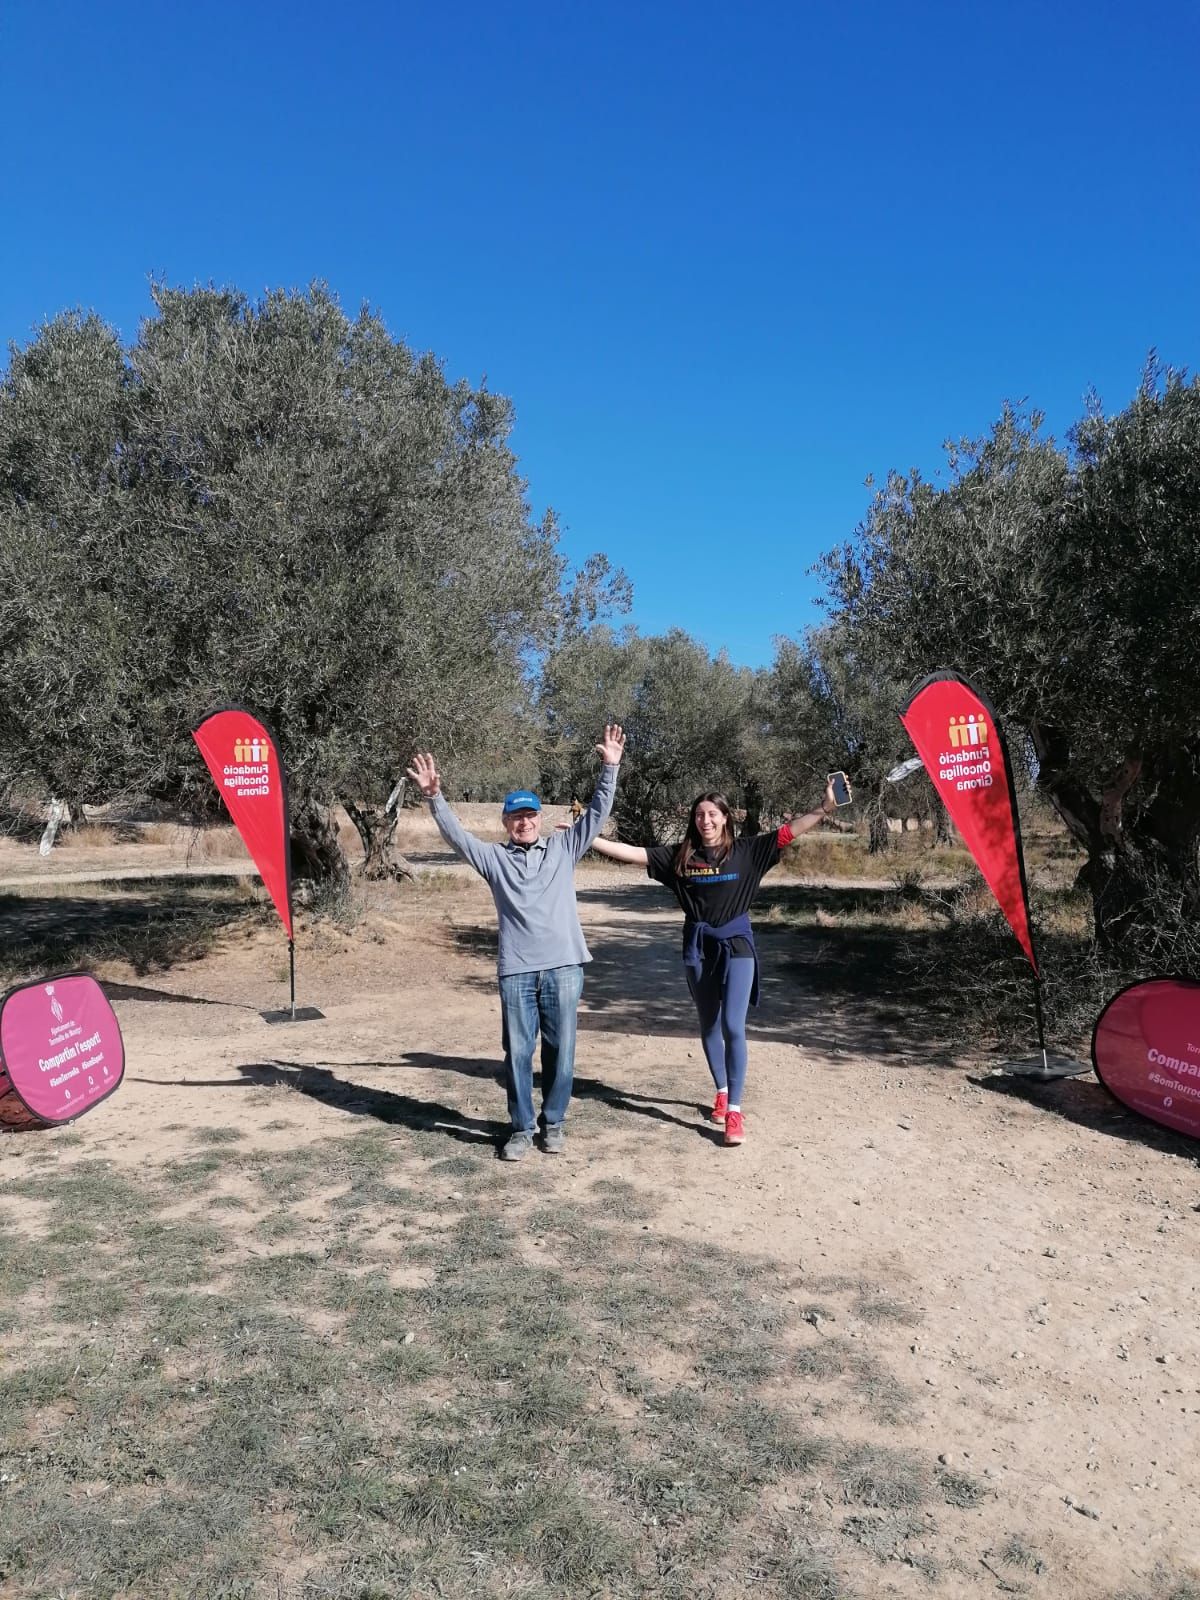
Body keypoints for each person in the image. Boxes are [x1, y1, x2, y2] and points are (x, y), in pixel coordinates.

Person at [406, 726, 626, 1162]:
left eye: (530, 815)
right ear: (506, 823)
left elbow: (598, 812)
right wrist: (435, 797)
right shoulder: (494, 859)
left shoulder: (564, 848)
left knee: (562, 1052)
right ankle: (522, 1128)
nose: (524, 822)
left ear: (540, 819)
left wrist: (610, 768)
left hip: (565, 966)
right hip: (517, 971)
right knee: (519, 1052)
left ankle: (555, 1122)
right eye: (516, 817)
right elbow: (458, 838)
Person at [587, 782, 837, 1147]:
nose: (706, 820)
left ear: (726, 818)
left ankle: (734, 1111)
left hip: (737, 945)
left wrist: (824, 808)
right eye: (700, 815)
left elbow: (791, 830)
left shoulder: (749, 851)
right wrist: (588, 836)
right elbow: (633, 853)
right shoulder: (681, 857)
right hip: (699, 948)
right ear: (694, 819)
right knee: (709, 1023)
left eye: (712, 814)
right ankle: (721, 1090)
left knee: (733, 1025)